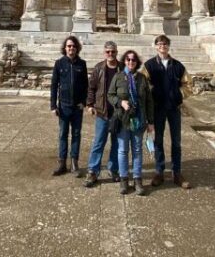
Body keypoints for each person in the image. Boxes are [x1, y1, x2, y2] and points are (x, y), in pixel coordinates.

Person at [143, 34, 192, 189]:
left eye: (164, 44)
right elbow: (143, 85)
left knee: (176, 141)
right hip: (158, 108)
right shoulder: (149, 65)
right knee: (158, 140)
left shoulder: (178, 66)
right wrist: (152, 96)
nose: (162, 46)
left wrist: (178, 95)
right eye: (159, 44)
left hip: (173, 108)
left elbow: (188, 84)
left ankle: (177, 173)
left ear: (168, 46)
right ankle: (159, 171)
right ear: (156, 46)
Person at [107, 49, 154, 195]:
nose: (131, 62)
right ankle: (123, 179)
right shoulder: (118, 76)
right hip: (122, 119)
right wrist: (120, 102)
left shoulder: (142, 78)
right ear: (124, 61)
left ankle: (138, 180)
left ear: (137, 62)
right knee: (122, 150)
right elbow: (110, 95)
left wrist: (151, 122)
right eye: (128, 59)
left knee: (138, 150)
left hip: (138, 119)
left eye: (133, 60)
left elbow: (149, 101)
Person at [83, 40, 124, 187]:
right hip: (102, 112)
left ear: (116, 52)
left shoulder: (123, 68)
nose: (110, 54)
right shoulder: (99, 68)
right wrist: (89, 104)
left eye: (113, 51)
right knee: (98, 143)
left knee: (116, 144)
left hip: (118, 113)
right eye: (108, 51)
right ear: (104, 53)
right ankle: (93, 171)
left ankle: (113, 169)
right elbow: (91, 88)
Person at [50, 35, 88, 177]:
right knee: (63, 134)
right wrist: (53, 105)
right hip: (64, 106)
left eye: (73, 46)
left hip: (77, 107)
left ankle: (74, 163)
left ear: (77, 48)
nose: (71, 48)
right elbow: (54, 85)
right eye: (69, 46)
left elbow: (85, 85)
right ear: (65, 48)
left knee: (76, 134)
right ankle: (62, 163)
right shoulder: (59, 63)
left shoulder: (82, 64)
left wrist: (84, 102)